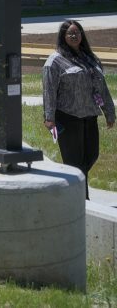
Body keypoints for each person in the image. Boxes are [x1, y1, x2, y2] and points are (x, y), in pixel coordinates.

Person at [43, 19, 115, 199]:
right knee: (74, 161)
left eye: (77, 32)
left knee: (91, 155)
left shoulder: (89, 58)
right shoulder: (55, 61)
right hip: (67, 116)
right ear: (63, 37)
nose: (74, 36)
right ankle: (81, 199)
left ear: (82, 35)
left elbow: (102, 87)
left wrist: (109, 111)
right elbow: (49, 91)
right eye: (70, 33)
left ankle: (75, 193)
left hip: (89, 115)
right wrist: (49, 117)